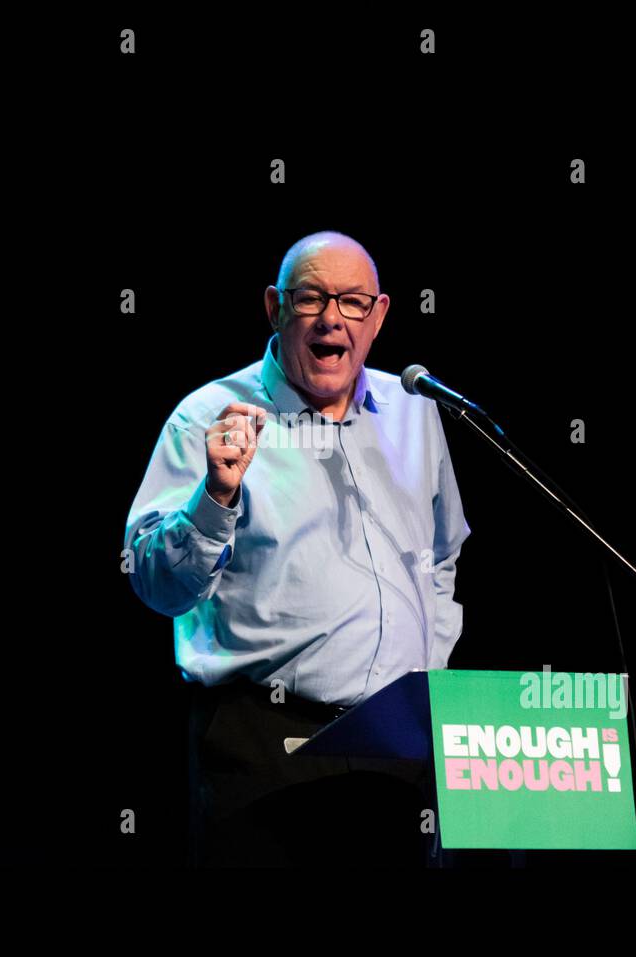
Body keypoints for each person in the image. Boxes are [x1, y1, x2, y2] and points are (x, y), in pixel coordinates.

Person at [124, 231, 470, 866]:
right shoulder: (208, 415)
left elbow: (443, 553)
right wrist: (215, 497)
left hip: (402, 749)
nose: (331, 317)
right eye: (310, 298)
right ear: (275, 309)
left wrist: (430, 667)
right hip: (266, 748)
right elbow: (154, 582)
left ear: (380, 315)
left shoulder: (414, 410)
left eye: (353, 302)